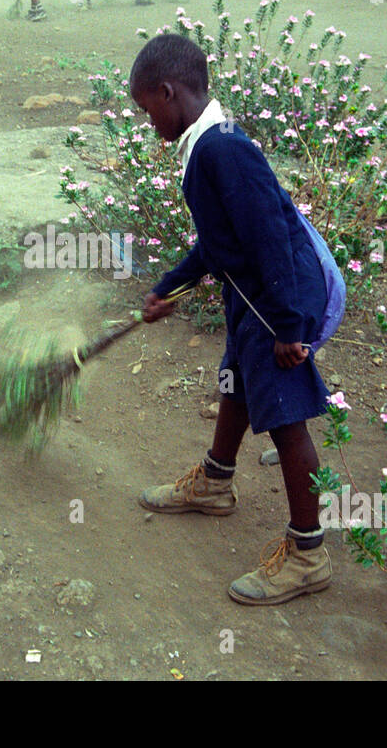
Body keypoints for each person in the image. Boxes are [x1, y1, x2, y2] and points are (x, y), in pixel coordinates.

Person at [130, 33, 344, 606]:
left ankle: (307, 553)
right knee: (236, 385)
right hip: (256, 301)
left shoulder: (221, 149)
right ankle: (216, 483)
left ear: (168, 92)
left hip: (279, 304)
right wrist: (166, 287)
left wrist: (289, 328)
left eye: (147, 108)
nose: (149, 123)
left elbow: (271, 236)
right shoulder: (206, 144)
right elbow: (221, 242)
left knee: (286, 419)